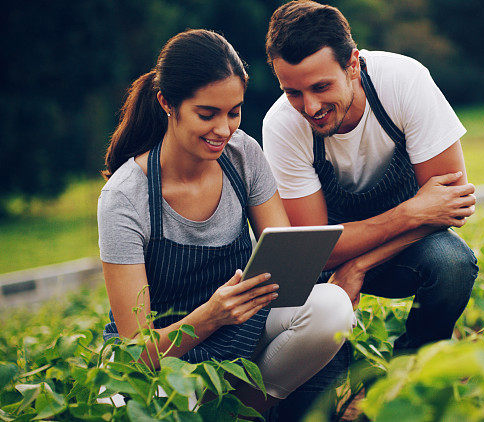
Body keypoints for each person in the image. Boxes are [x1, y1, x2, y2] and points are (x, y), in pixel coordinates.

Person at [97, 29, 354, 414]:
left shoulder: (242, 155)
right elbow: (136, 351)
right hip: (169, 354)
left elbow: (283, 257)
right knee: (118, 406)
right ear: (167, 103)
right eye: (207, 114)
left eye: (233, 112)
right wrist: (209, 316)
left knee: (331, 306)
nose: (224, 130)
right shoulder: (124, 199)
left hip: (242, 329)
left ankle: (246, 410)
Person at [262, 1, 479, 352]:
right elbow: (311, 251)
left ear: (352, 65)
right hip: (337, 252)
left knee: (452, 265)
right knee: (292, 292)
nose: (310, 107)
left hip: (404, 244)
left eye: (321, 87)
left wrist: (360, 264)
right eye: (293, 93)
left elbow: (452, 204)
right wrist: (412, 211)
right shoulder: (282, 126)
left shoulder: (404, 81)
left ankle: (410, 374)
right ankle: (324, 387)